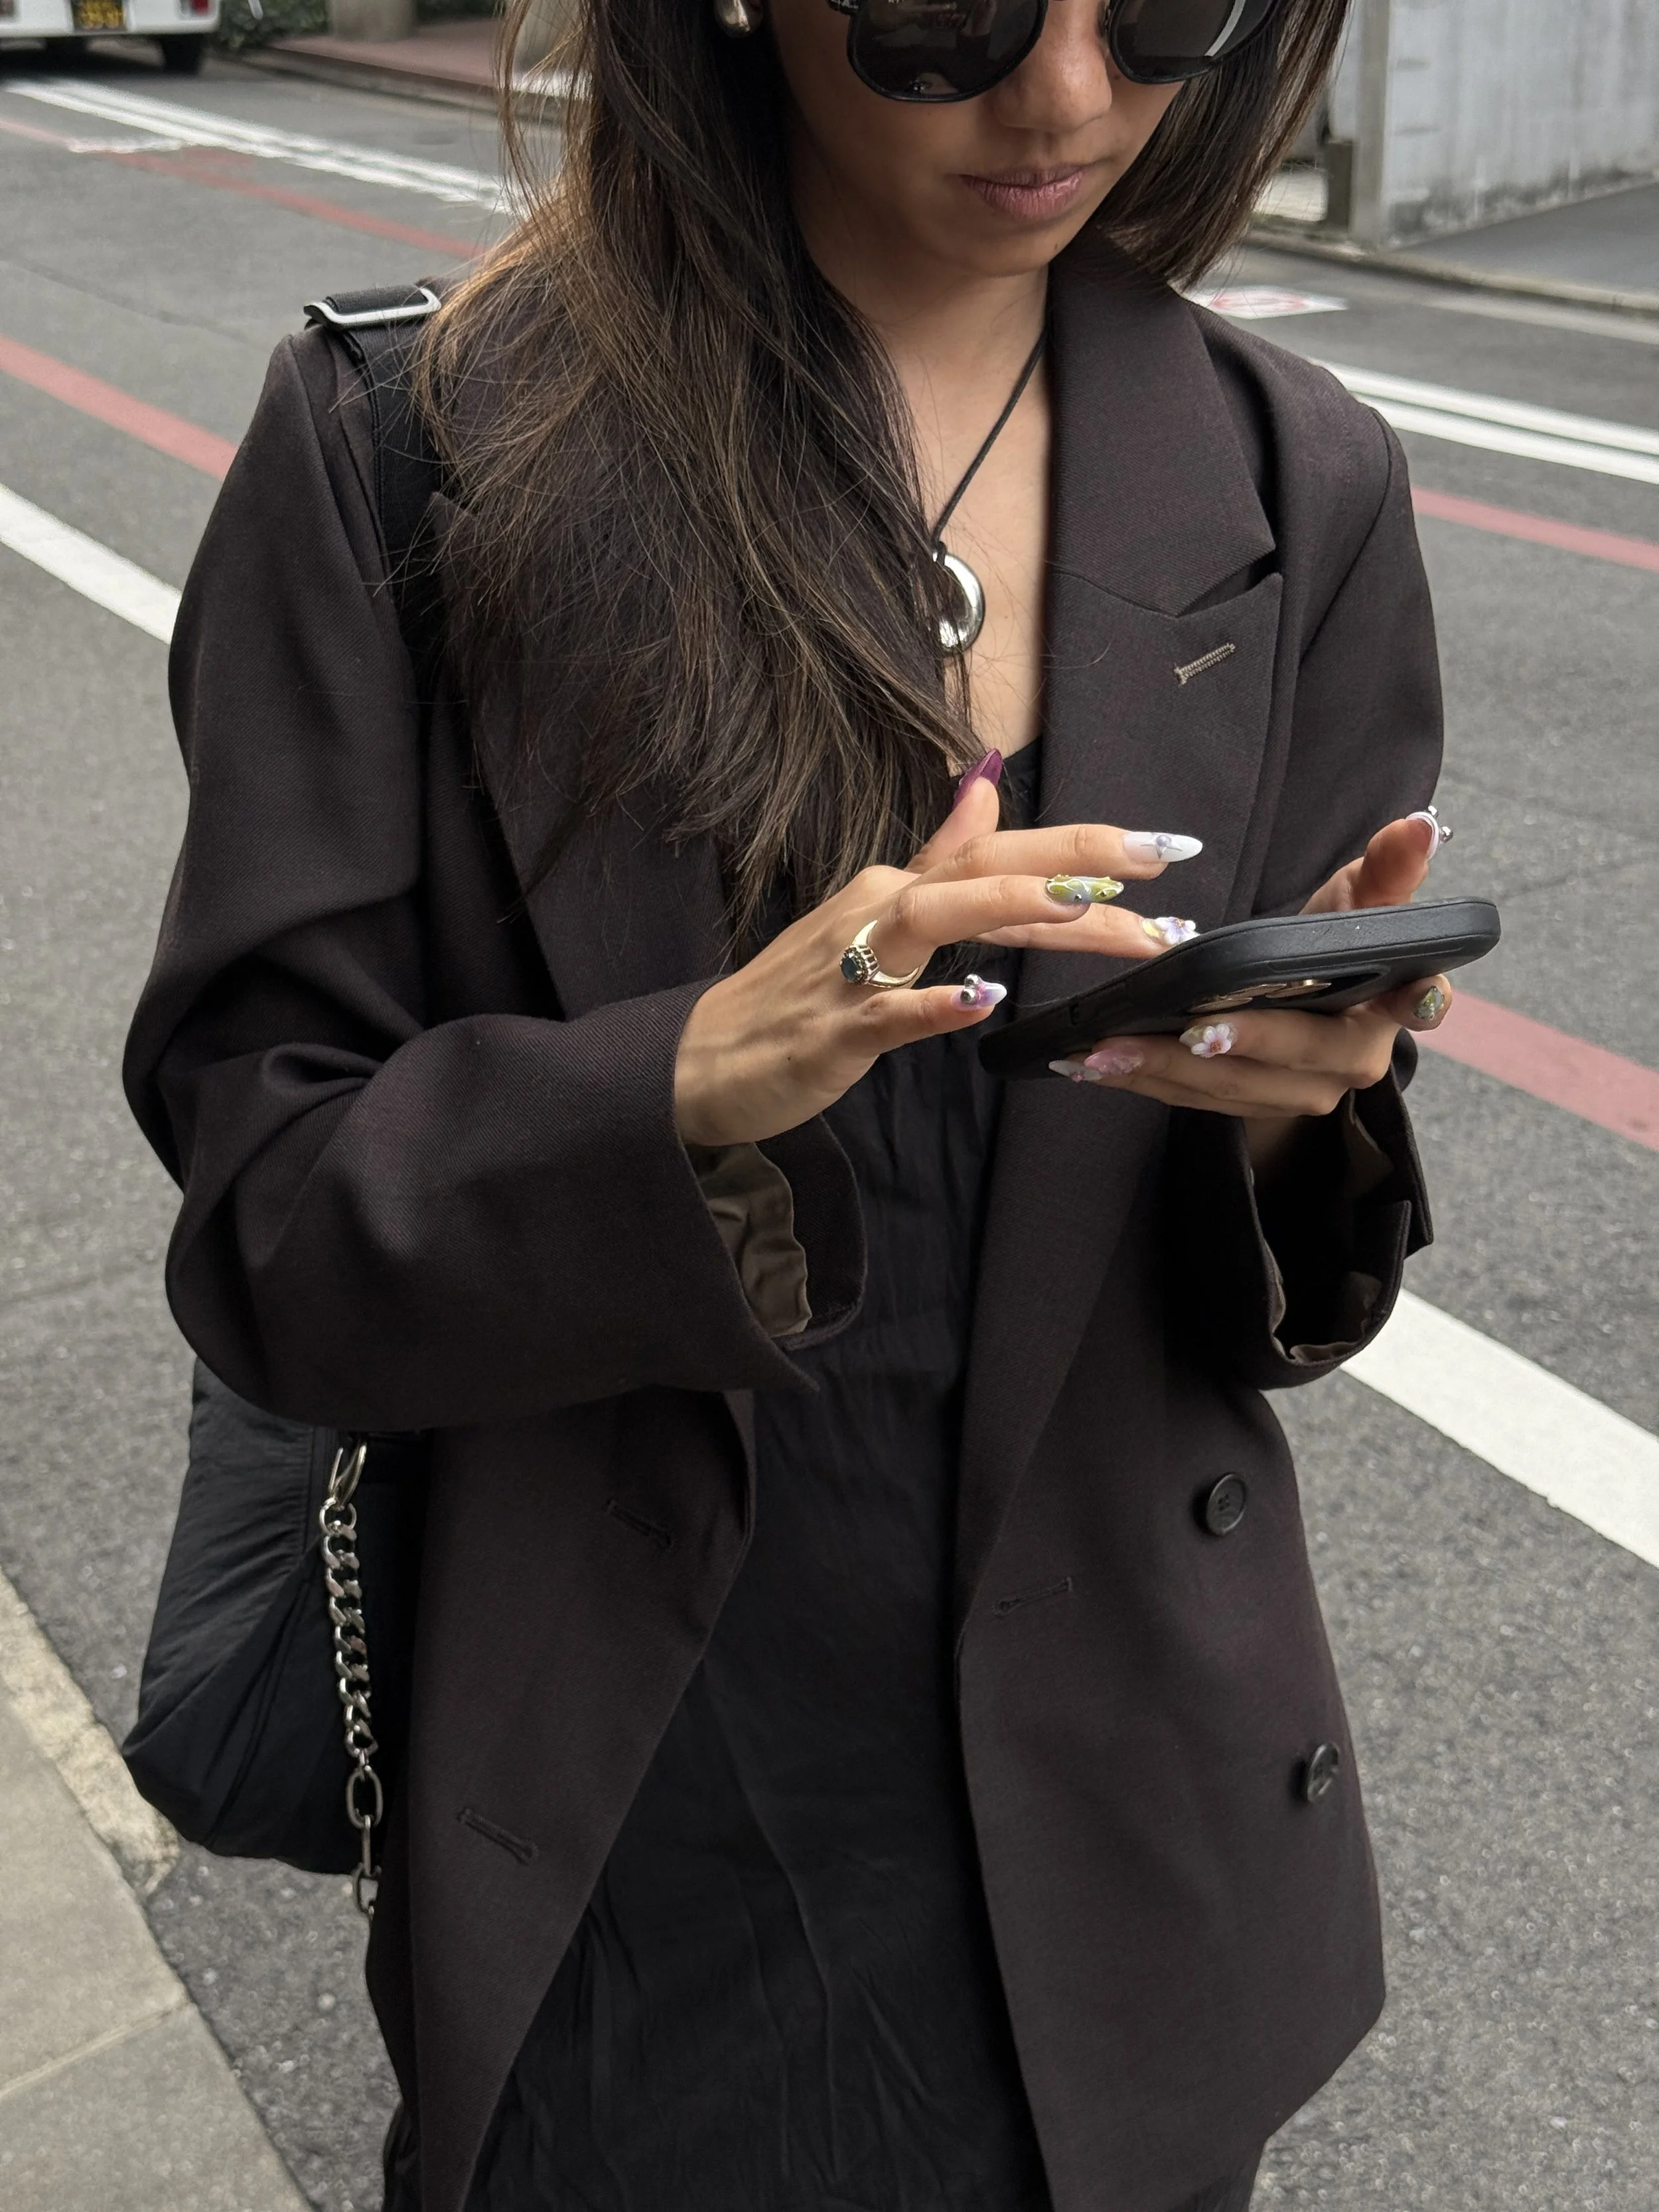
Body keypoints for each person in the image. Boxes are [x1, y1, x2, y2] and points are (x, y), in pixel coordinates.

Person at [124, 0, 1457, 2205]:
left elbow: (1263, 1303)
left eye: (1163, 13)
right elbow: (270, 1212)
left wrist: (1290, 1110)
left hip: (1127, 1854)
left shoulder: (1291, 472)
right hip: (644, 1849)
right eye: (944, 15)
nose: (1062, 102)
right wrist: (678, 1085)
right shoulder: (414, 450)